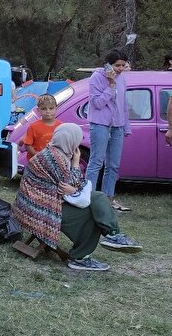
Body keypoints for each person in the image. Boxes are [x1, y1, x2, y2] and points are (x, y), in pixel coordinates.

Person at [12, 123, 142, 272]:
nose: (78, 144)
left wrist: (74, 187)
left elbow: (75, 185)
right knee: (91, 213)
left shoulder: (53, 152)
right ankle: (83, 255)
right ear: (71, 140)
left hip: (38, 205)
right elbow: (75, 183)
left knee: (98, 198)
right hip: (39, 212)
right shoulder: (55, 158)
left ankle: (113, 235)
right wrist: (75, 164)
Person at [84, 49, 131, 212]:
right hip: (100, 124)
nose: (119, 68)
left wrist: (126, 126)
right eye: (117, 65)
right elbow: (97, 103)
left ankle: (108, 198)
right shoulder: (97, 77)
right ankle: (88, 198)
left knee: (114, 165)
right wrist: (110, 84)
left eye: (122, 65)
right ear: (108, 65)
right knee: (96, 161)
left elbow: (124, 104)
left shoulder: (122, 79)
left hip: (117, 125)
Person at [19, 94, 61, 158]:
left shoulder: (61, 126)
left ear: (56, 108)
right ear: (38, 110)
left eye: (51, 108)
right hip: (36, 162)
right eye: (44, 109)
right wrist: (39, 156)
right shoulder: (33, 127)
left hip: (54, 161)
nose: (48, 111)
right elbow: (28, 145)